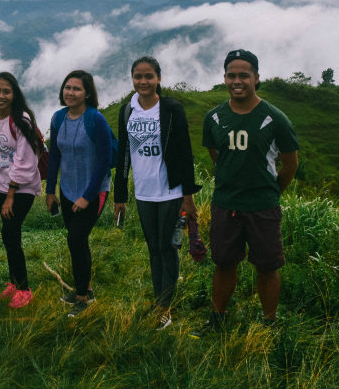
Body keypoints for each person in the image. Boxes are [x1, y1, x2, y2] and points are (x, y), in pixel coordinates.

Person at [197, 49, 299, 333]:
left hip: (262, 206)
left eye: (244, 75)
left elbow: (291, 164)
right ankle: (217, 319)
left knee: (267, 266)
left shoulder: (275, 118)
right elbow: (218, 156)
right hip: (225, 202)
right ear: (224, 78)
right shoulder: (213, 118)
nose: (237, 80)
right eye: (231, 75)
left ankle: (269, 323)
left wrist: (269, 193)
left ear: (256, 78)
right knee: (224, 262)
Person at [114, 56, 199, 330]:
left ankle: (165, 308)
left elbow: (185, 153)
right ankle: (159, 300)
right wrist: (120, 195)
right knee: (153, 249)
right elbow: (123, 154)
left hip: (170, 191)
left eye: (149, 76)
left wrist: (188, 195)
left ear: (158, 78)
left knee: (167, 248)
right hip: (144, 193)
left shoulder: (172, 108)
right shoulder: (128, 110)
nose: (143, 82)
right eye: (138, 76)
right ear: (132, 79)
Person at [45, 70, 112, 317]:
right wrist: (50, 191)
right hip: (67, 189)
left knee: (75, 238)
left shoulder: (96, 120)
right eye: (67, 88)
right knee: (77, 241)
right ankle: (86, 288)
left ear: (87, 93)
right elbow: (54, 157)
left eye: (76, 89)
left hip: (93, 191)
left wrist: (87, 196)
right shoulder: (58, 118)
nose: (70, 92)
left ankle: (82, 297)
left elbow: (105, 161)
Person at [0, 72, 44, 309]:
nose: (1, 96)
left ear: (14, 93)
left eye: (6, 91)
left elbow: (26, 160)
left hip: (21, 187)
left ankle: (24, 288)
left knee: (10, 233)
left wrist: (10, 196)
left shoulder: (21, 119)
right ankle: (14, 283)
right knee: (9, 236)